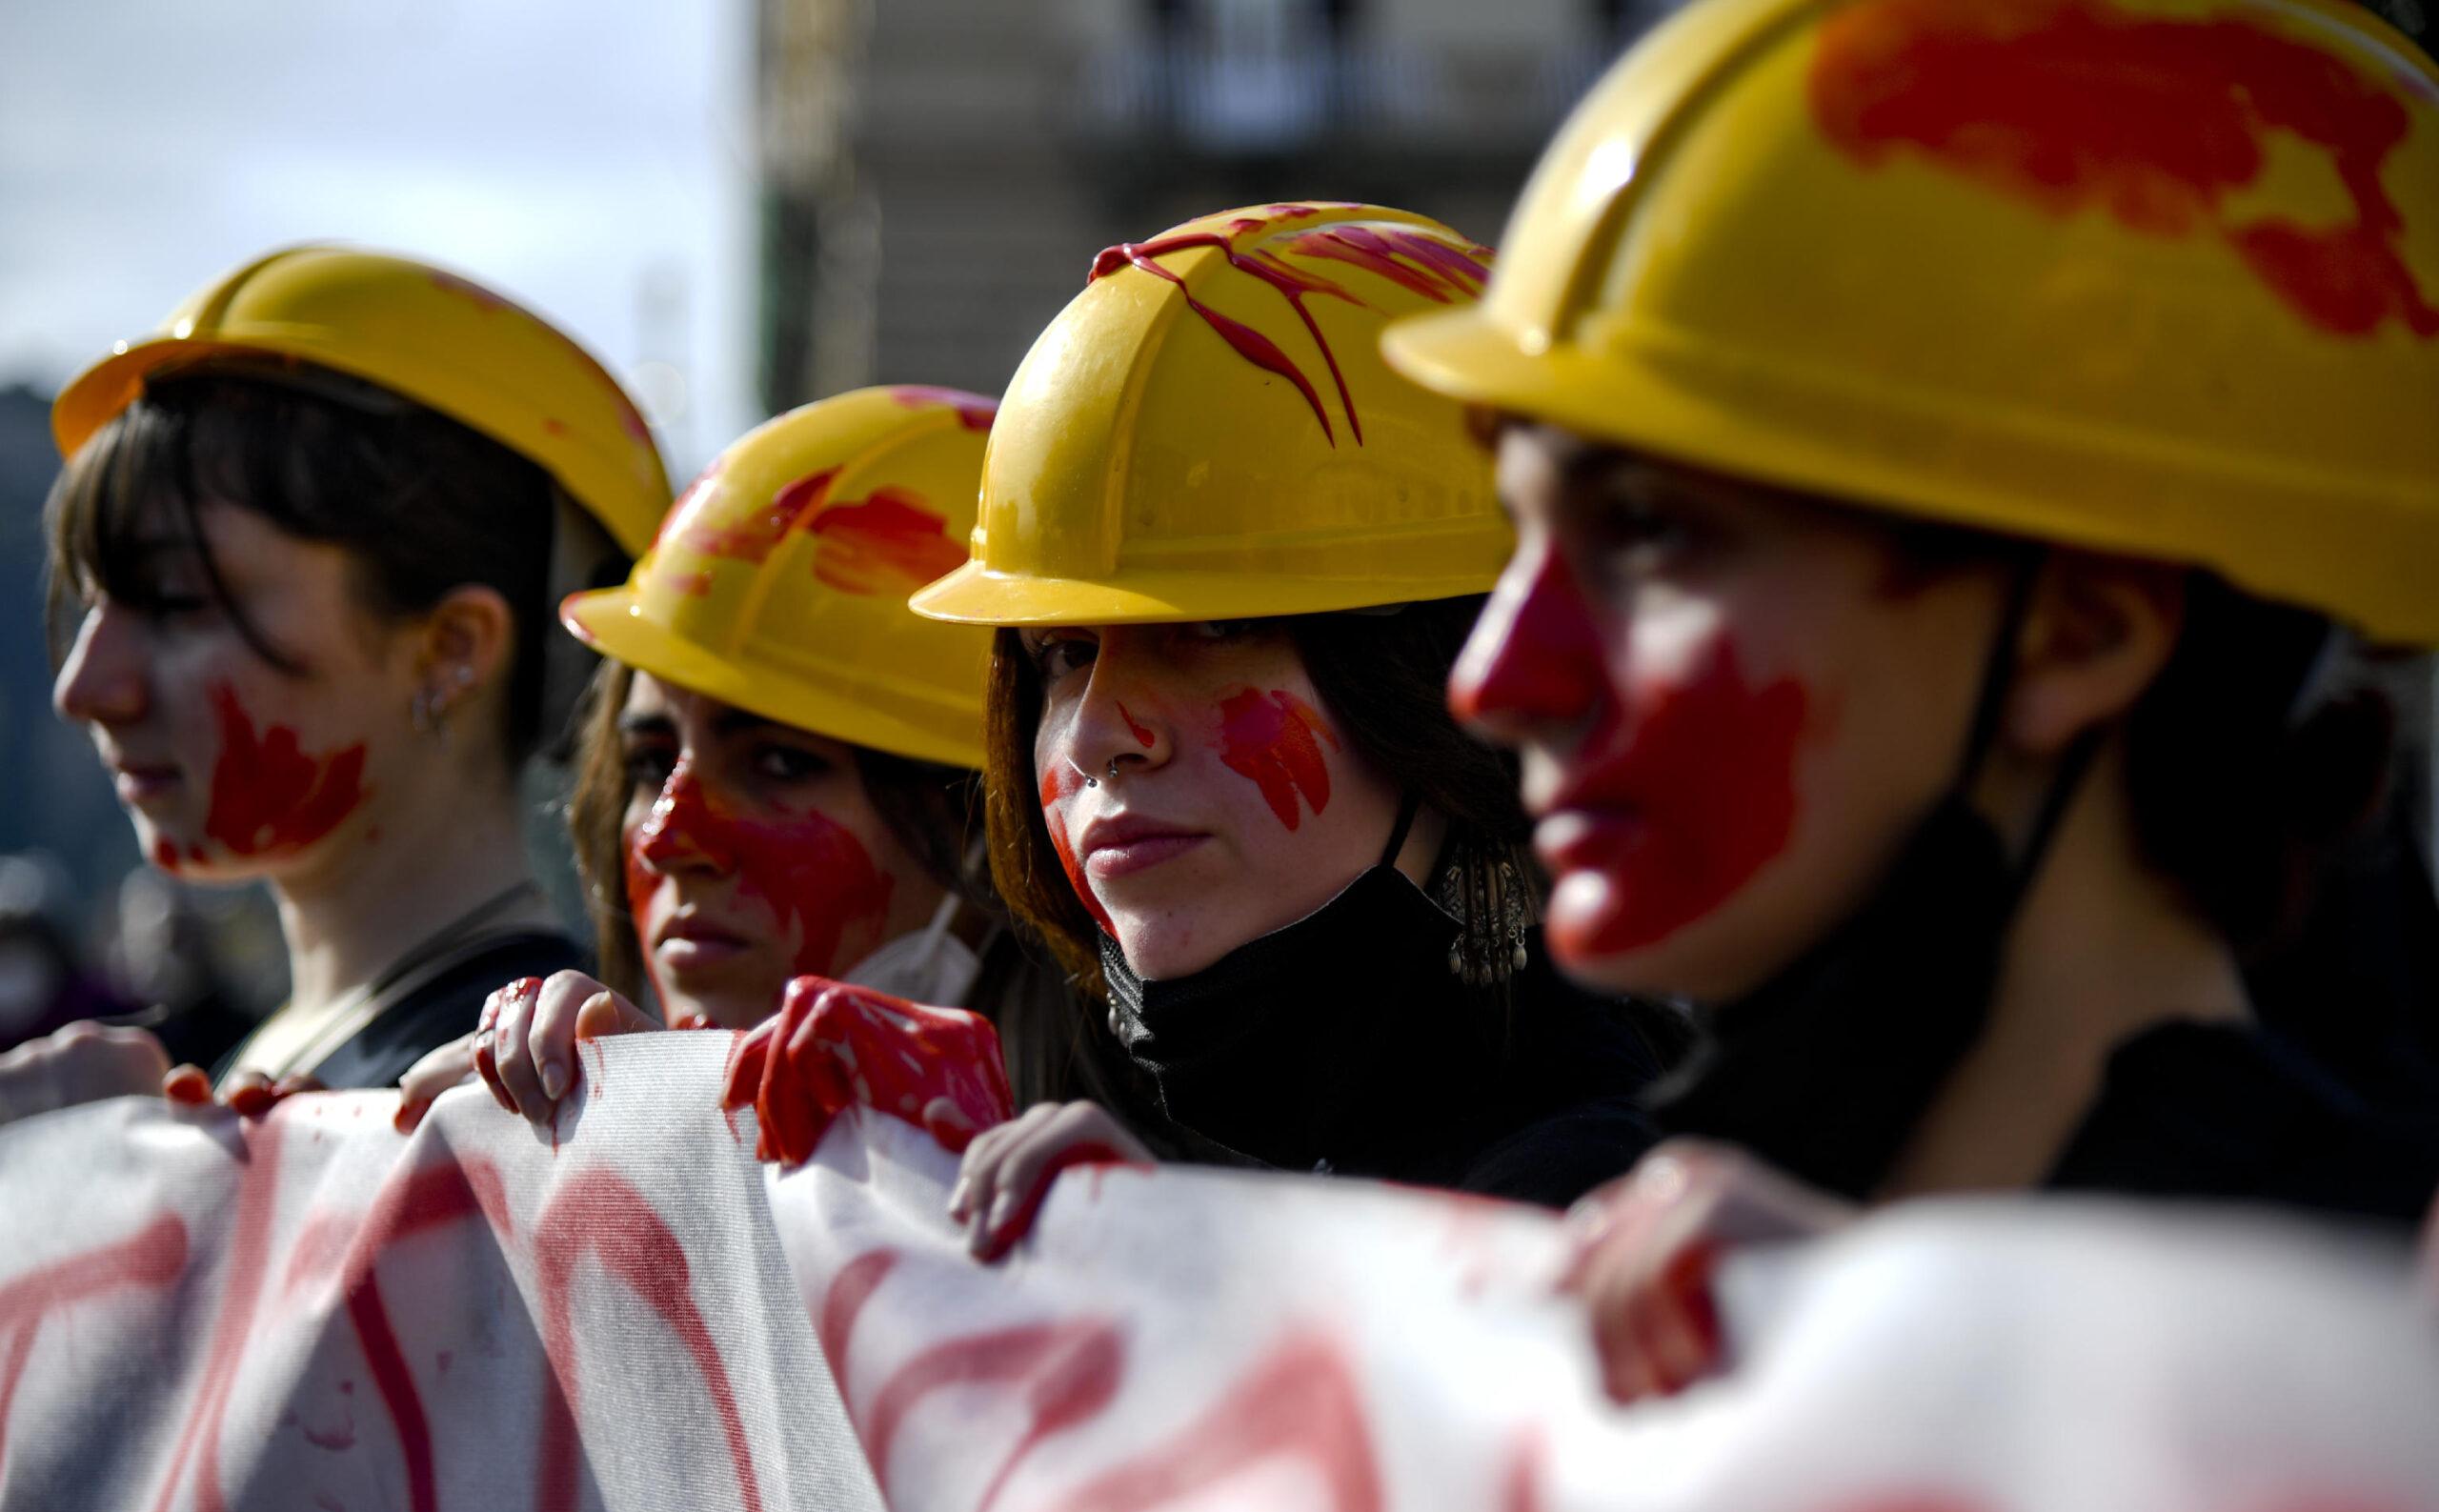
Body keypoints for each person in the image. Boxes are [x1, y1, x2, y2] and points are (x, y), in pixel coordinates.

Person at [1376, 0, 2439, 1398]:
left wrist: (1957, 1366)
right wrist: (1183, 1283)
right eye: (1521, 541)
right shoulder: (1682, 1213)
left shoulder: (2371, 1363)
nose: (1494, 679)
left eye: (1651, 530)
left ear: (2080, 632)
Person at [730, 203, 1684, 1256]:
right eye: (1064, 655)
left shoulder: (1601, 1210)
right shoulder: (1130, 1142)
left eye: (1214, 630)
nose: (1098, 736)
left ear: (1454, 680)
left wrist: (1204, 1297)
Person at [9, 245, 670, 1116]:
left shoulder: (529, 1092)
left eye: (175, 601)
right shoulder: (275, 1053)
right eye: (93, 608)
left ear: (451, 648)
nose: (87, 687)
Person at [400, 386, 1115, 1139]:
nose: (665, 837)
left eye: (779, 763)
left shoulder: (1159, 1196)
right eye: (648, 762)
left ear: (996, 830)